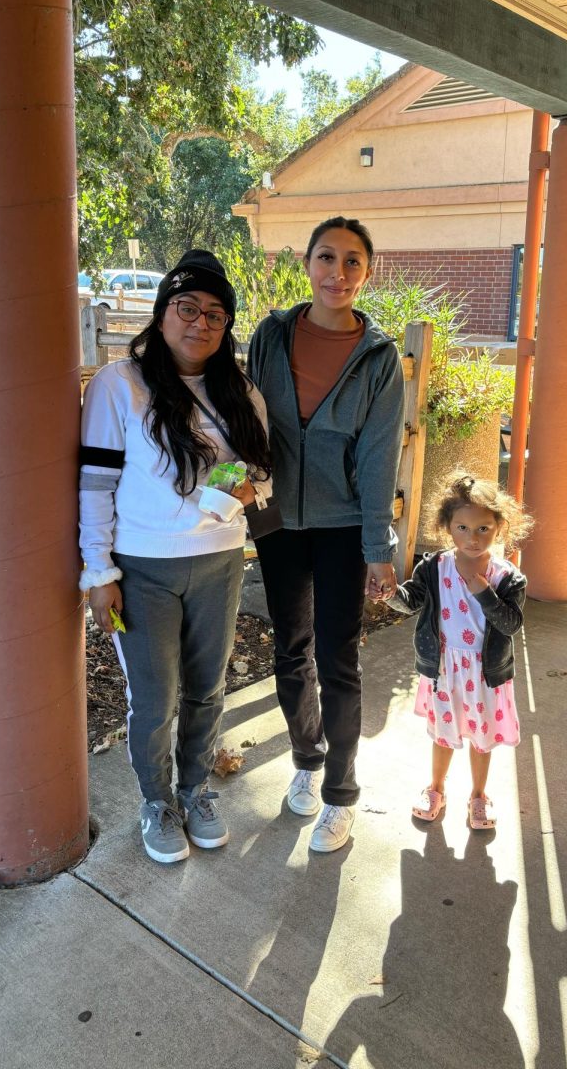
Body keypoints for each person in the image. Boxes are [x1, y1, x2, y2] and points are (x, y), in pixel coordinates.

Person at [78, 251, 272, 864]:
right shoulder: (118, 386)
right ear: (162, 316)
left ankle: (195, 789)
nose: (200, 323)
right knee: (154, 695)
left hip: (219, 560)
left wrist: (246, 491)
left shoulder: (239, 391)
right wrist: (99, 571)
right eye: (186, 308)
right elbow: (94, 486)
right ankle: (156, 799)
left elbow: (262, 474)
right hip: (141, 567)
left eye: (215, 314)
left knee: (209, 687)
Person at [247, 216, 405, 853]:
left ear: (369, 272)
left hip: (342, 526)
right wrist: (246, 507)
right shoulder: (273, 335)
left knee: (338, 661)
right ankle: (307, 762)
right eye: (326, 258)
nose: (337, 273)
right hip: (278, 521)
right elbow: (246, 419)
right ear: (307, 264)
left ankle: (341, 793)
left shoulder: (379, 357)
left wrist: (378, 549)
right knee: (291, 651)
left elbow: (378, 457)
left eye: (352, 262)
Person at [383, 474, 531, 830]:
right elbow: (413, 600)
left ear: (499, 527)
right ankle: (435, 789)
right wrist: (390, 595)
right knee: (443, 733)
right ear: (447, 527)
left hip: (486, 672)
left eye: (483, 528)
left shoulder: (508, 577)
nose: (472, 538)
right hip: (445, 668)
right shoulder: (435, 568)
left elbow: (512, 625)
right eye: (462, 527)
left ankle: (479, 796)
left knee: (483, 738)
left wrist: (484, 591)